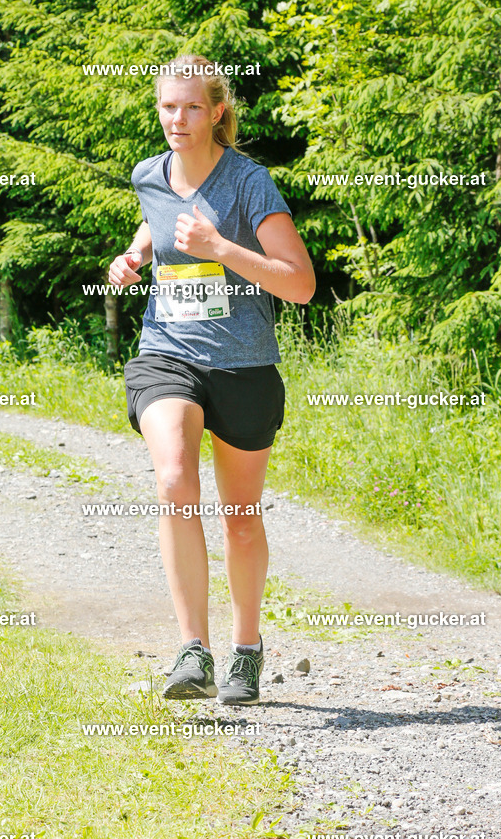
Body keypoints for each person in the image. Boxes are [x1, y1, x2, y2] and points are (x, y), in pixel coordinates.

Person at [108, 55, 315, 706]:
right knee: (174, 479)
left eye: (192, 106)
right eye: (168, 106)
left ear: (217, 110)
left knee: (241, 519)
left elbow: (300, 284)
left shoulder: (248, 183)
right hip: (167, 352)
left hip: (243, 366)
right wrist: (135, 254)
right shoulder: (148, 173)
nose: (178, 119)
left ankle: (246, 649)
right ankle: (192, 650)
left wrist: (221, 248)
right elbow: (159, 216)